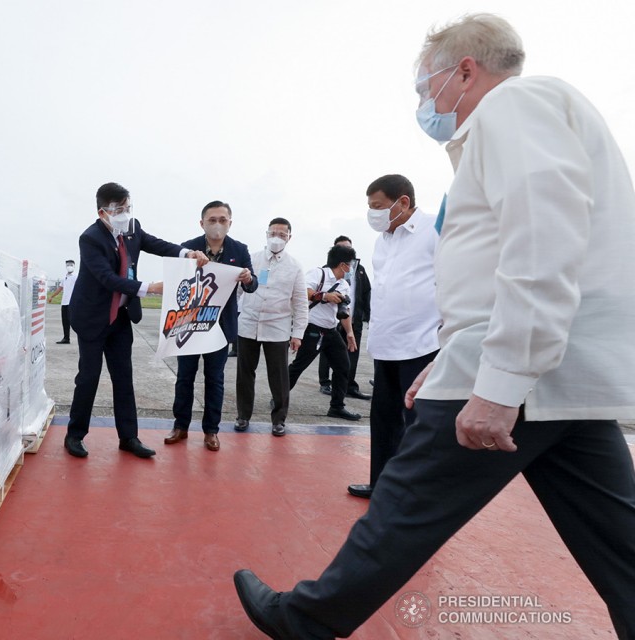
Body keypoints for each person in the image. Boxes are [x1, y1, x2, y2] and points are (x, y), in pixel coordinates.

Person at [234, 14, 635, 639]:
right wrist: (452, 358)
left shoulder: (514, 108)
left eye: (426, 86)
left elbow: (541, 244)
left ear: (465, 71)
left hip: (516, 367)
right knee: (621, 542)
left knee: (406, 504)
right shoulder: (535, 119)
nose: (426, 102)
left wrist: (499, 381)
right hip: (556, 372)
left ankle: (305, 619)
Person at [66, 182, 209, 459]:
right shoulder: (90, 239)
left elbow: (157, 244)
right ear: (102, 212)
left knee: (124, 377)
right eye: (119, 210)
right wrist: (150, 288)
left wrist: (186, 253)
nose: (125, 214)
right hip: (93, 317)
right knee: (88, 378)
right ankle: (75, 434)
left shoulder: (132, 228)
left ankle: (129, 437)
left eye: (128, 207)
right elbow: (107, 278)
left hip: (120, 317)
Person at [346, 174, 440, 499]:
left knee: (419, 424)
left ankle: (417, 494)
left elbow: (453, 279)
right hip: (386, 343)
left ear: (403, 202)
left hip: (422, 343)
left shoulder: (435, 228)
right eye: (370, 207)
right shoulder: (381, 241)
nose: (373, 214)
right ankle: (382, 485)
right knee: (384, 421)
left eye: (378, 206)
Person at [164, 201, 257, 451]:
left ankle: (211, 430)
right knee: (184, 377)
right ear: (202, 223)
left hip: (220, 326)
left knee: (215, 379)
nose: (217, 224)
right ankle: (180, 426)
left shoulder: (239, 249)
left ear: (230, 223)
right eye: (212, 220)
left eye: (222, 220)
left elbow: (252, 285)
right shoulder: (188, 247)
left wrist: (248, 279)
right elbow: (177, 282)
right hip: (190, 325)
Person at [235, 218, 308, 437]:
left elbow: (300, 303)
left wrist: (298, 334)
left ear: (289, 238)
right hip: (248, 324)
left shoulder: (295, 266)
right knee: (244, 374)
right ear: (266, 234)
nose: (277, 238)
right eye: (273, 233)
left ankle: (279, 420)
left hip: (277, 328)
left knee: (279, 377)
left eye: (282, 235)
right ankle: (243, 415)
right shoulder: (251, 259)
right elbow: (237, 291)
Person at [287, 244, 361, 422]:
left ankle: (337, 407)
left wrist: (349, 333)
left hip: (331, 331)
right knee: (299, 366)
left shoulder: (344, 284)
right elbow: (302, 292)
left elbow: (345, 311)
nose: (351, 268)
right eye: (351, 264)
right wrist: (324, 296)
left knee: (343, 366)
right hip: (312, 329)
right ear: (343, 265)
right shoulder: (318, 273)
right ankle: (280, 396)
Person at [318, 236, 371, 400]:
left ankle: (349, 385)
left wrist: (368, 315)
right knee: (327, 352)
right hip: (332, 320)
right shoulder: (326, 270)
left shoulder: (359, 269)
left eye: (349, 248)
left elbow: (366, 292)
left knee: (352, 353)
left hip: (353, 318)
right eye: (342, 248)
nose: (346, 251)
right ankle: (325, 382)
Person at [47, 259, 78, 343]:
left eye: (71, 265)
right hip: (64, 302)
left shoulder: (76, 276)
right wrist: (51, 296)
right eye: (68, 265)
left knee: (75, 321)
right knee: (65, 321)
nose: (69, 266)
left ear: (74, 266)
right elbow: (60, 288)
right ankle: (66, 338)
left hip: (73, 302)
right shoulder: (64, 277)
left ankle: (83, 337)